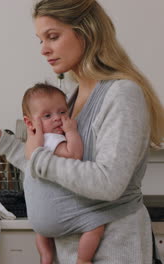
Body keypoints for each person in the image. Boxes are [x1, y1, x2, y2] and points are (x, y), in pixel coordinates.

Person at [0, 0, 164, 263]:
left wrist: (38, 157)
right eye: (40, 40)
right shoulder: (71, 100)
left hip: (115, 251)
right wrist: (1, 142)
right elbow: (50, 165)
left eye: (53, 37)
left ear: (87, 32)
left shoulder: (122, 94)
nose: (44, 49)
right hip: (69, 253)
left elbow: (108, 183)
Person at [21, 82, 104, 264]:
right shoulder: (53, 139)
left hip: (40, 222)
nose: (57, 118)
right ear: (29, 122)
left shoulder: (35, 141)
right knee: (96, 226)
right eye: (47, 115)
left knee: (42, 233)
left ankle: (46, 256)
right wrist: (72, 131)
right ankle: (83, 259)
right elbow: (74, 154)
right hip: (58, 211)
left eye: (62, 112)